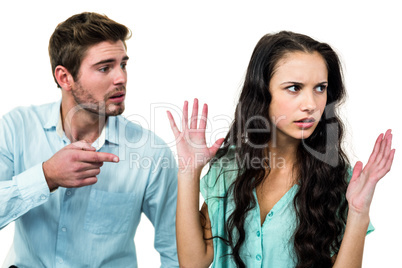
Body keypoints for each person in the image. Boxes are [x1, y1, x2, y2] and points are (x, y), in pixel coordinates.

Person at [167, 31, 395, 267]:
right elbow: (193, 263)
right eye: (294, 88)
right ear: (263, 92)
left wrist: (358, 212)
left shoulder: (339, 178)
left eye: (320, 88)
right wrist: (189, 172)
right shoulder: (229, 168)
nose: (311, 105)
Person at [0, 12, 178, 267]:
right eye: (105, 68)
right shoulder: (16, 128)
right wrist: (46, 176)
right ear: (64, 78)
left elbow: (175, 252)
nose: (121, 78)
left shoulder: (151, 153)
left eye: (123, 65)